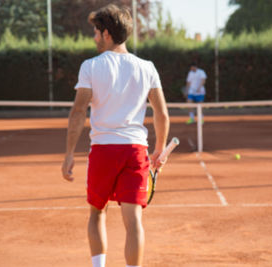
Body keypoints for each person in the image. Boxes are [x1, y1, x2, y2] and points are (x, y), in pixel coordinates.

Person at [61, 4, 169, 267]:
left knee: (97, 213)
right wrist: (159, 150)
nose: (94, 37)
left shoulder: (90, 67)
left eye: (96, 32)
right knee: (134, 223)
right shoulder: (148, 67)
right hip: (135, 151)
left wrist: (69, 154)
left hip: (103, 150)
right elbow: (162, 114)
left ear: (107, 33)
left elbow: (78, 112)